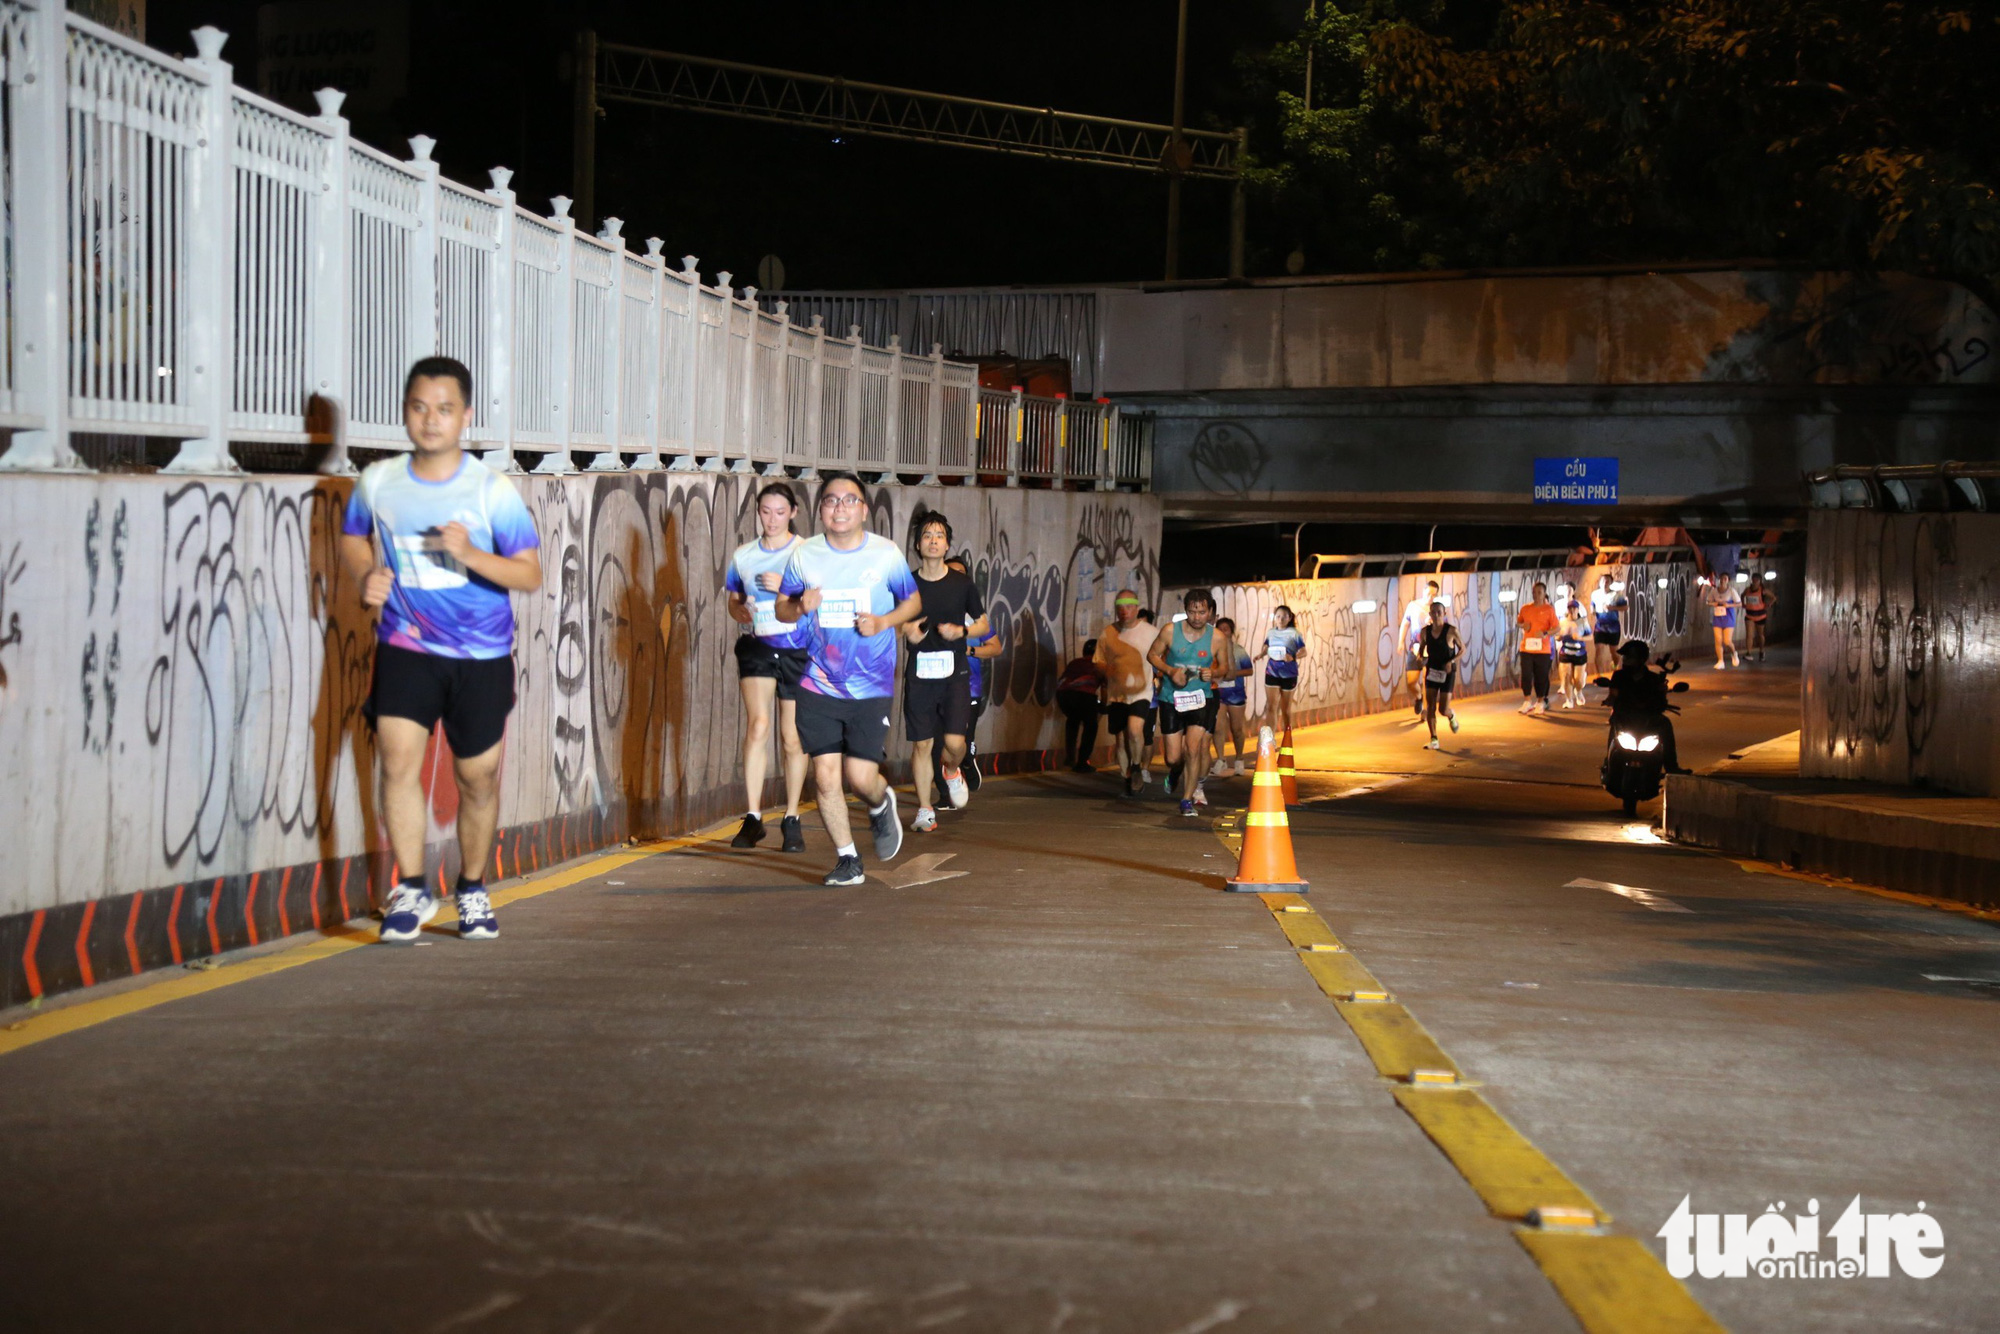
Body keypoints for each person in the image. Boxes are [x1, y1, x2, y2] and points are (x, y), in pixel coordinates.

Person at [339, 356, 544, 944]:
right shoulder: (379, 481)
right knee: (396, 761)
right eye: (420, 408)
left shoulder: (489, 489)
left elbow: (529, 574)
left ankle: (472, 888)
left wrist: (471, 555)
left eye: (445, 409)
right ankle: (410, 885)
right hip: (406, 644)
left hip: (480, 658)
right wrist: (363, 577)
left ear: (466, 416)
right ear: (406, 411)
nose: (431, 420)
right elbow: (354, 537)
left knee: (477, 778)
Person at [774, 473, 925, 886]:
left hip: (870, 684)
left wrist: (884, 622)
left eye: (848, 500)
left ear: (863, 508)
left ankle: (880, 802)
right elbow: (783, 610)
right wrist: (800, 606)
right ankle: (847, 860)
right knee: (824, 776)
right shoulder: (805, 556)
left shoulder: (885, 554)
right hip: (817, 682)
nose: (839, 508)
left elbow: (913, 600)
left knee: (860, 778)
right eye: (830, 501)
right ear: (821, 510)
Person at [723, 482, 809, 853]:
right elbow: (733, 599)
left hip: (797, 649)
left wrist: (785, 591)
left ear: (792, 513)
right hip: (758, 645)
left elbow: (818, 598)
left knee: (792, 736)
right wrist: (738, 610)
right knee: (758, 726)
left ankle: (792, 815)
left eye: (779, 512)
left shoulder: (807, 551)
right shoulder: (743, 555)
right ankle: (754, 815)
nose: (771, 519)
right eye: (764, 511)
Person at [900, 512, 987, 833]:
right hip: (920, 674)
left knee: (953, 742)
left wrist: (961, 632)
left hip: (954, 675)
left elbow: (984, 624)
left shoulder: (962, 583)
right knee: (922, 745)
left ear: (947, 543)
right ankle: (924, 809)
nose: (933, 540)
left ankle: (952, 769)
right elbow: (894, 621)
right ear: (918, 545)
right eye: (927, 535)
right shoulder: (908, 584)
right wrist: (907, 631)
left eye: (939, 535)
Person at [1148, 590, 1237, 817]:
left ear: (1210, 612)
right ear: (1185, 611)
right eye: (1192, 612)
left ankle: (1187, 800)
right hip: (1171, 698)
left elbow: (1225, 669)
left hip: (1200, 699)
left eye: (1202, 612)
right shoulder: (1170, 631)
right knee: (1173, 757)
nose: (1197, 617)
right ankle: (1175, 772)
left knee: (1193, 749)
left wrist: (1213, 672)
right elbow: (1152, 655)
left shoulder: (1217, 637)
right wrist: (1170, 671)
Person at [1095, 591, 1158, 798]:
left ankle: (1137, 765)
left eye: (1128, 606)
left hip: (1142, 692)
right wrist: (1106, 670)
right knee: (1121, 740)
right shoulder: (1108, 633)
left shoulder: (1150, 632)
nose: (1124, 611)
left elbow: (1164, 655)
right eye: (1120, 607)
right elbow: (1098, 661)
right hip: (1117, 695)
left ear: (1136, 608)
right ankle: (1127, 779)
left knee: (1134, 729)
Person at [1605, 639, 1686, 773]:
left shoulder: (1653, 679)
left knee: (1665, 725)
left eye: (1629, 657)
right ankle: (1609, 764)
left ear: (1641, 659)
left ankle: (1672, 766)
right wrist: (1610, 700)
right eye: (1624, 657)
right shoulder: (1619, 676)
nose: (1625, 660)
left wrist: (1661, 694)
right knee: (1614, 727)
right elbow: (1613, 695)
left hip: (1648, 719)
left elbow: (1661, 700)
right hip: (1625, 717)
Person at [1211, 616, 1254, 776]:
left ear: (1231, 632)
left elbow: (1249, 670)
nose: (1222, 632)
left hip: (1236, 694)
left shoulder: (1238, 650)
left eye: (1226, 629)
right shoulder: (1213, 650)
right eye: (1219, 629)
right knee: (1218, 728)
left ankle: (1239, 759)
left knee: (1236, 729)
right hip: (1219, 693)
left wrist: (1232, 673)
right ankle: (1221, 760)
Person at [1254, 604, 1306, 732]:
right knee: (1271, 707)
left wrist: (1293, 657)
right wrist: (1260, 655)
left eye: (1284, 617)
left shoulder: (1294, 633)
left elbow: (1304, 651)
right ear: (1274, 618)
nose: (1280, 619)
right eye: (1278, 616)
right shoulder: (1271, 632)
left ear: (1289, 618)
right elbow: (1267, 647)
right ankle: (1270, 740)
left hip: (1289, 673)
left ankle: (1287, 738)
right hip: (1272, 671)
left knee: (1285, 709)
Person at [1056, 639, 1105, 772]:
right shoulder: (1099, 665)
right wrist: (1104, 705)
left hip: (1063, 695)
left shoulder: (1075, 662)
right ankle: (1082, 762)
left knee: (1073, 721)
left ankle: (1070, 758)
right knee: (1091, 726)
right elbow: (1105, 688)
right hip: (1084, 696)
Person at [1418, 601, 1462, 750]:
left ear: (1444, 614)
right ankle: (1434, 739)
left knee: (1443, 709)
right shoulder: (1425, 632)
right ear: (1429, 615)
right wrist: (1421, 658)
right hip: (1432, 671)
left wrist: (1452, 661)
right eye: (1433, 612)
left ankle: (1451, 715)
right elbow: (1422, 649)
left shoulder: (1451, 631)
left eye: (1439, 612)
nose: (1436, 615)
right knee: (1430, 706)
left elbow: (1462, 649)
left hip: (1447, 671)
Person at [1399, 580, 1442, 717]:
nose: (1431, 597)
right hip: (1415, 649)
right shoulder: (1413, 606)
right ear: (1423, 591)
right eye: (1429, 593)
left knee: (1426, 680)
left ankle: (1425, 710)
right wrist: (1401, 642)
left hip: (1431, 650)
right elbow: (1405, 623)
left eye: (1434, 595)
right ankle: (1418, 698)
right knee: (1411, 681)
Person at [1515, 581, 1559, 714]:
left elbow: (1556, 628)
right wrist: (1523, 626)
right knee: (1526, 675)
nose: (1536, 595)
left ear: (1544, 593)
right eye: (1534, 592)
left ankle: (1540, 702)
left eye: (1539, 592)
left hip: (1542, 649)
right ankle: (1527, 701)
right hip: (1526, 648)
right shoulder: (1525, 608)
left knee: (1541, 676)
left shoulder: (1549, 609)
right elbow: (1519, 622)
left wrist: (1545, 633)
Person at [1587, 573, 1626, 678]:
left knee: (1614, 651)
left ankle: (1615, 667)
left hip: (1613, 626)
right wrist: (1592, 611)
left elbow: (1625, 607)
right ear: (1600, 582)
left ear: (1611, 583)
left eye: (1607, 581)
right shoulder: (1595, 594)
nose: (1605, 583)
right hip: (1600, 626)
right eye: (1603, 581)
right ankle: (1599, 675)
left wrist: (1612, 608)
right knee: (1599, 649)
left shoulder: (1617, 595)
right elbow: (1592, 605)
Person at [1556, 599, 1591, 709]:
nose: (1572, 610)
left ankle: (1579, 690)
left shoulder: (1582, 622)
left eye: (1574, 608)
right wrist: (1561, 635)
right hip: (1565, 652)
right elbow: (1557, 637)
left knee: (1578, 680)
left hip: (1580, 653)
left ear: (1577, 609)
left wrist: (1580, 637)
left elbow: (1590, 636)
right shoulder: (1562, 621)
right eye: (1570, 608)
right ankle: (1569, 700)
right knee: (1566, 676)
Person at [1703, 575, 1742, 669]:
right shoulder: (1714, 590)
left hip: (1728, 616)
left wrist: (1729, 605)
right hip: (1718, 617)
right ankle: (1720, 661)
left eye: (1725, 579)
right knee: (1718, 640)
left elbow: (1739, 603)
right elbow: (1708, 602)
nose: (1722, 580)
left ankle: (1734, 653)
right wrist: (1714, 604)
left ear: (1728, 580)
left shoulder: (1731, 591)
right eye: (1721, 578)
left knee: (1727, 641)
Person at [1741, 576, 1775, 662]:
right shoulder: (1747, 590)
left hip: (1760, 615)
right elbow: (1742, 595)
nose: (1755, 582)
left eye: (1757, 580)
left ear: (1760, 581)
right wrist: (1743, 604)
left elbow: (1773, 597)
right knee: (1749, 634)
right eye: (1753, 580)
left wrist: (1769, 604)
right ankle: (1748, 653)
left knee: (1760, 635)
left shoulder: (1763, 591)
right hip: (1749, 615)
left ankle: (1762, 651)